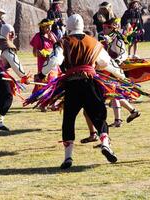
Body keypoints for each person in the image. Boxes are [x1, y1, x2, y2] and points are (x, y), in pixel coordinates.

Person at [35, 14, 126, 169]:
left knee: (69, 119)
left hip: (72, 85)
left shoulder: (63, 42)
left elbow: (55, 60)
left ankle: (68, 157)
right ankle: (105, 144)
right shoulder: (94, 42)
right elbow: (107, 63)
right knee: (98, 117)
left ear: (68, 27)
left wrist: (42, 74)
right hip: (91, 83)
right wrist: (122, 77)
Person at [80, 18, 141, 143]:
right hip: (106, 70)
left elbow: (123, 54)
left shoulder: (117, 40)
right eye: (104, 27)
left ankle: (119, 118)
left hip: (113, 71)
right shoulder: (106, 39)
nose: (104, 30)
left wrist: (114, 63)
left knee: (112, 93)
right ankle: (130, 112)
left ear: (112, 28)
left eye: (106, 28)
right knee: (113, 93)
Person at [0, 24, 30, 131]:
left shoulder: (0, 43)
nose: (13, 36)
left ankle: (0, 121)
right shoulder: (7, 47)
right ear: (9, 33)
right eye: (12, 34)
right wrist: (24, 76)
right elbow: (15, 62)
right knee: (7, 96)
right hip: (0, 76)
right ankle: (0, 121)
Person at [30, 19, 59, 96]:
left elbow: (58, 47)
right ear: (42, 27)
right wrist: (43, 54)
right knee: (43, 82)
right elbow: (34, 53)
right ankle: (41, 100)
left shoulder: (52, 35)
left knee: (53, 81)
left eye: (50, 27)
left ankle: (52, 101)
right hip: (43, 63)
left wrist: (53, 40)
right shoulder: (37, 37)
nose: (49, 29)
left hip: (53, 63)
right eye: (47, 27)